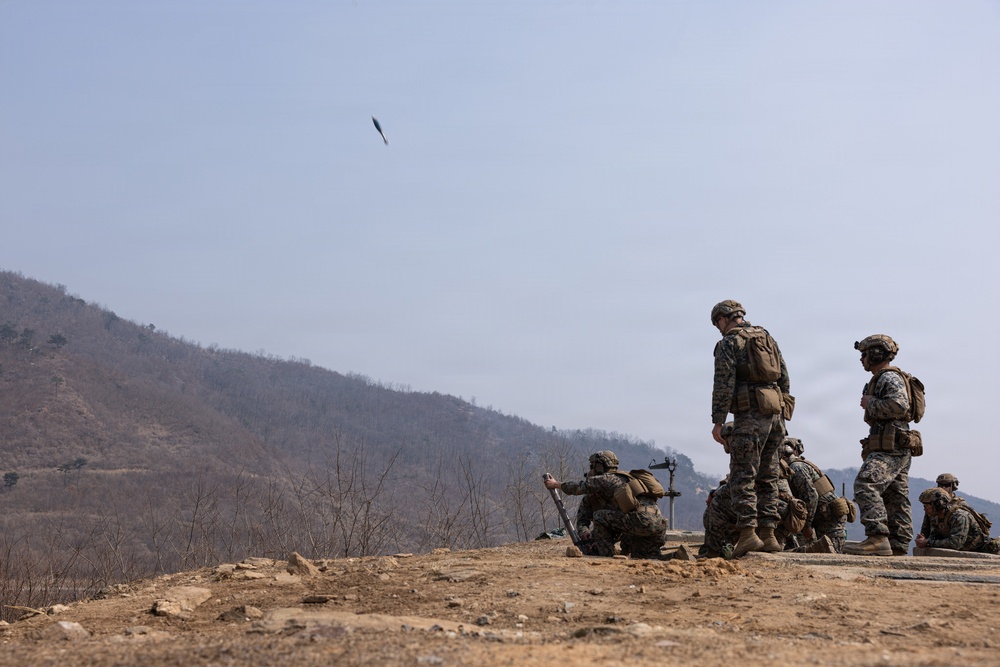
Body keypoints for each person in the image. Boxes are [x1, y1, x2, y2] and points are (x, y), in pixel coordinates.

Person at [711, 300, 792, 557]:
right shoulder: (766, 336)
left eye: (717, 324)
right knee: (769, 476)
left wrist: (718, 421)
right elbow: (784, 377)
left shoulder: (729, 343)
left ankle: (748, 534)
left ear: (724, 319)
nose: (718, 329)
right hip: (775, 415)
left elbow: (723, 384)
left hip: (750, 416)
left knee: (743, 475)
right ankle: (769, 535)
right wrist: (783, 407)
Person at [845, 335, 917, 556]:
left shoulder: (888, 377)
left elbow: (899, 405)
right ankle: (898, 545)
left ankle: (877, 538)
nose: (862, 359)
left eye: (865, 354)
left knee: (865, 484)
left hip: (891, 445)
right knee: (896, 495)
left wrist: (871, 403)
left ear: (876, 354)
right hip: (894, 444)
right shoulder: (884, 377)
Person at [543, 451, 667, 559]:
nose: (590, 470)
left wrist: (556, 484)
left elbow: (578, 487)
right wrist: (586, 533)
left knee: (599, 516)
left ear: (600, 466)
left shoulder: (606, 479)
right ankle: (675, 556)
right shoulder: (626, 479)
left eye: (593, 466)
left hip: (639, 523)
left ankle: (605, 556)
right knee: (646, 557)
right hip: (657, 525)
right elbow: (588, 521)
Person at [782, 438, 848, 553]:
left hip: (828, 515)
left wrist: (807, 525)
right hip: (818, 514)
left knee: (832, 552)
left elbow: (811, 496)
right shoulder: (793, 467)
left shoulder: (796, 467)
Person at [914, 487, 998, 554]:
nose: (924, 509)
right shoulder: (936, 518)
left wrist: (927, 542)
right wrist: (923, 540)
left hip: (982, 550)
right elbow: (935, 537)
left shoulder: (959, 516)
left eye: (926, 506)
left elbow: (955, 543)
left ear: (938, 504)